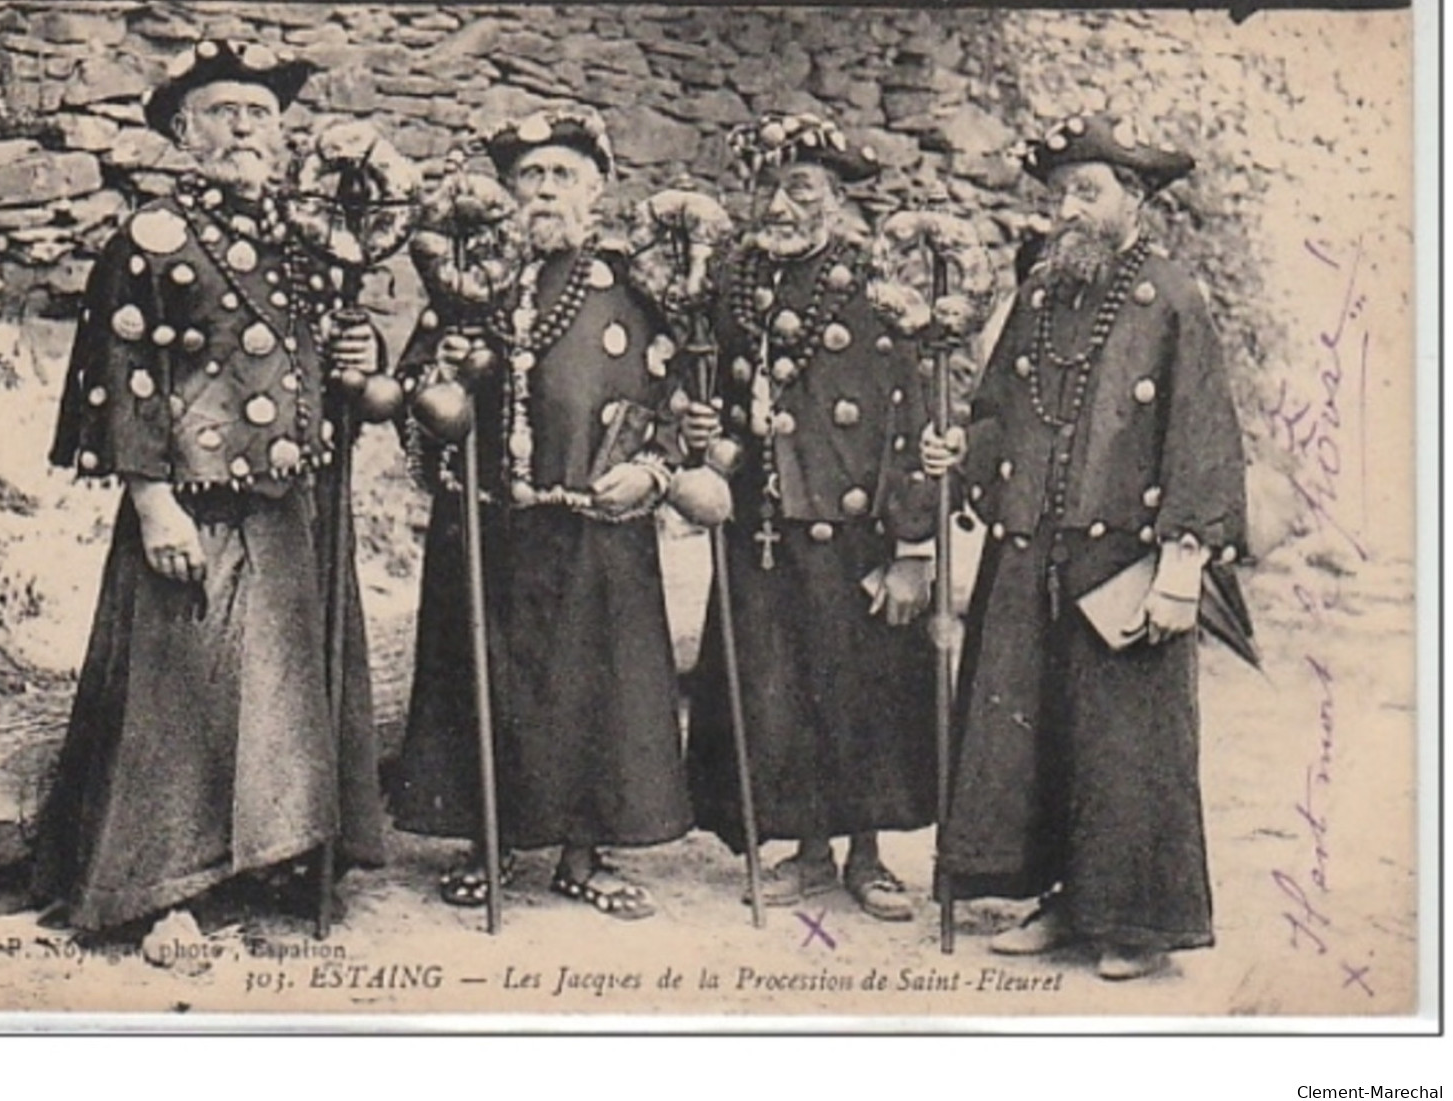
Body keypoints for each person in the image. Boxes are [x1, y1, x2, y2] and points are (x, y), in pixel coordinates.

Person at [34, 40, 384, 934]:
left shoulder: (303, 239)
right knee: (179, 695)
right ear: (185, 133)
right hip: (191, 504)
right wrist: (151, 501)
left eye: (258, 114)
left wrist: (361, 356)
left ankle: (271, 864)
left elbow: (329, 361)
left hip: (286, 504)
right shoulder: (152, 236)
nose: (243, 128)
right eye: (223, 113)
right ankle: (160, 888)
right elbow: (121, 374)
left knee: (275, 692)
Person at [920, 115, 1248, 979]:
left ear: (1131, 199)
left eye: (1086, 191)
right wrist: (964, 451)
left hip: (1125, 563)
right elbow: (994, 408)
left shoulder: (1173, 297)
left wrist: (1182, 565)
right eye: (1060, 192)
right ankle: (1059, 903)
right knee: (1040, 737)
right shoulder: (1038, 292)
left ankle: (1133, 925)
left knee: (1125, 746)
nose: (1067, 208)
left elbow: (1202, 435)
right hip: (1029, 552)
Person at [388, 107, 689, 920]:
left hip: (596, 523)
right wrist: (436, 380)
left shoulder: (631, 288)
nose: (545, 190)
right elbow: (417, 381)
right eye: (531, 176)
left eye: (562, 175)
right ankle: (486, 847)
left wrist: (653, 470)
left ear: (594, 191)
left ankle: (582, 855)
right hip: (488, 521)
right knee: (481, 674)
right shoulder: (470, 279)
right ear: (510, 192)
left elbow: (675, 395)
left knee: (593, 685)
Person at [682, 114, 944, 922]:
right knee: (777, 687)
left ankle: (867, 854)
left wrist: (913, 545)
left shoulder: (875, 286)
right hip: (763, 523)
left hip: (854, 530)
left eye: (800, 188)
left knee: (858, 688)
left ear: (833, 198)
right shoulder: (733, 282)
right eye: (769, 186)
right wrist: (705, 436)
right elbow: (728, 400)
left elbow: (913, 417)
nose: (781, 205)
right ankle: (806, 848)